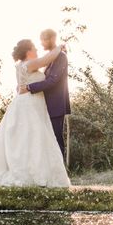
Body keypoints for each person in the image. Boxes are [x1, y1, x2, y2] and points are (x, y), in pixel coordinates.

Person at [0, 37, 70, 187]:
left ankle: (31, 170)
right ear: (28, 52)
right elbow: (48, 58)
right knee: (34, 137)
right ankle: (33, 173)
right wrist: (60, 46)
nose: (37, 51)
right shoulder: (30, 63)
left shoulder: (20, 65)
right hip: (30, 103)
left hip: (24, 102)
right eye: (34, 49)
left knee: (26, 138)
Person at [19, 29, 70, 159]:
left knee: (56, 138)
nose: (41, 43)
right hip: (46, 104)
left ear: (52, 39)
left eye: (44, 40)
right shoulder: (51, 58)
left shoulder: (61, 57)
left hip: (56, 105)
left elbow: (52, 80)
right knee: (48, 139)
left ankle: (61, 172)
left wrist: (30, 87)